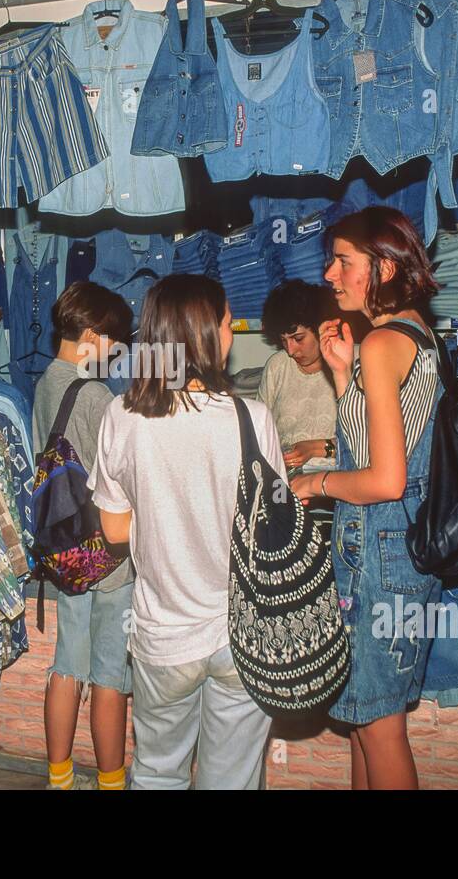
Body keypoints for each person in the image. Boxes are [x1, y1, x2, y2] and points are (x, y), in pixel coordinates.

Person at [88, 274, 286, 789]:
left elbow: (113, 531)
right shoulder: (252, 418)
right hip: (241, 635)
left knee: (156, 773)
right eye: (226, 322)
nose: (230, 332)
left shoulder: (122, 416)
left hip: (162, 635)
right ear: (202, 333)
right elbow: (275, 527)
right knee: (231, 780)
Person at [290, 206, 442, 790]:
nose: (330, 274)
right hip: (392, 554)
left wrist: (315, 483)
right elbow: (382, 443)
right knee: (364, 723)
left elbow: (384, 480)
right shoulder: (412, 335)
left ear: (381, 267)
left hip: (381, 558)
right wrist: (340, 374)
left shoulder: (383, 344)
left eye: (343, 262)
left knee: (378, 728)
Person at [32, 281, 135, 791]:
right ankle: (112, 783)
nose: (117, 356)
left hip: (65, 552)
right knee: (109, 675)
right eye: (114, 345)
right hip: (110, 558)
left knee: (66, 665)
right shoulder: (95, 394)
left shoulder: (45, 381)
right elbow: (120, 476)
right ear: (92, 336)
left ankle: (60, 779)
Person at [257, 279, 340, 474]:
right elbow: (258, 434)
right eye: (283, 340)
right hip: (287, 482)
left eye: (298, 338)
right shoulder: (278, 366)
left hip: (339, 482)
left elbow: (364, 444)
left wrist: (315, 448)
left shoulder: (351, 365)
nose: (291, 350)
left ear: (323, 329)